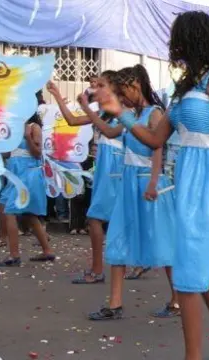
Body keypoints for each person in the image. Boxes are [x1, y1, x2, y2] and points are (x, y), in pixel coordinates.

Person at [94, 12, 209, 359]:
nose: (173, 47)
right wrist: (120, 112)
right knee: (199, 271)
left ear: (194, 39)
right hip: (186, 186)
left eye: (178, 39)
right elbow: (152, 139)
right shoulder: (187, 88)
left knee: (188, 276)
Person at [86, 65, 178, 320]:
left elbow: (157, 147)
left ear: (136, 85)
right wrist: (88, 108)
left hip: (148, 183)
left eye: (123, 92)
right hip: (127, 184)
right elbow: (109, 131)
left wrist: (152, 183)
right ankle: (114, 303)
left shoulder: (154, 113)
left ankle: (177, 298)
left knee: (162, 239)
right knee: (118, 238)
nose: (122, 98)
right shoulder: (128, 115)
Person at [47, 74, 124, 284]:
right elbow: (72, 120)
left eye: (100, 85)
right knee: (102, 218)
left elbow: (110, 133)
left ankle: (98, 270)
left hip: (114, 167)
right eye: (94, 85)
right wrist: (57, 96)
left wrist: (86, 106)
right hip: (103, 166)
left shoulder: (122, 112)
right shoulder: (104, 112)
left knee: (96, 217)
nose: (94, 88)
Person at [0, 113, 55, 267]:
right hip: (15, 172)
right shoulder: (12, 128)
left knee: (10, 211)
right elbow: (8, 153)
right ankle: (47, 250)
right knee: (28, 215)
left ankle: (14, 255)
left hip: (28, 173)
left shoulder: (33, 127)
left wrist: (27, 137)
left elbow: (37, 153)